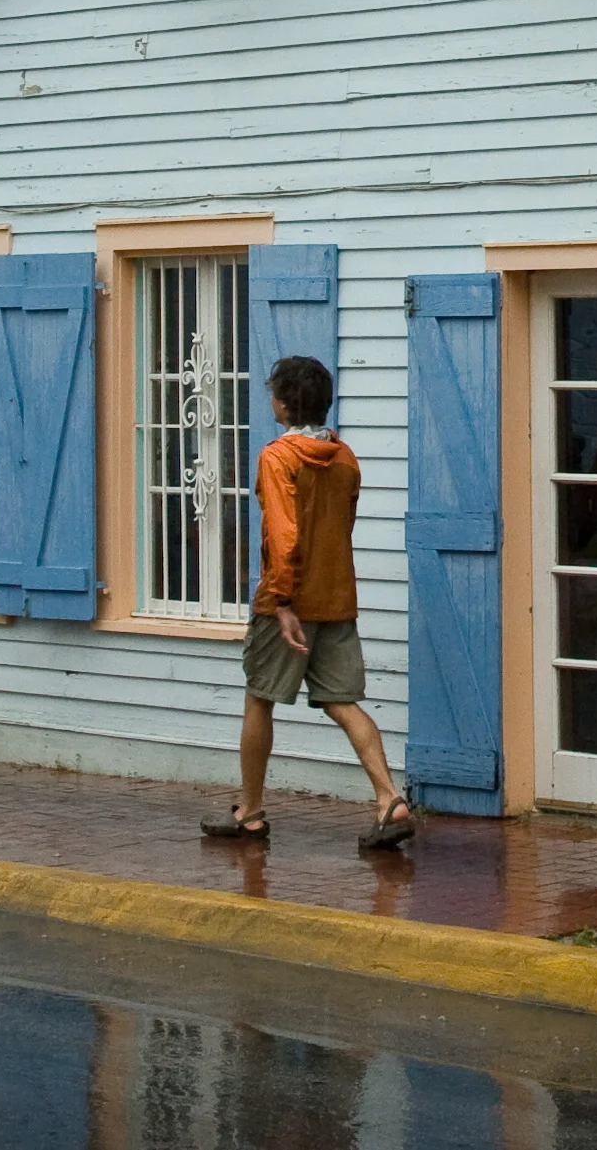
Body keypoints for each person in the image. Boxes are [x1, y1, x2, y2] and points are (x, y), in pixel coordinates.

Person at [201, 354, 415, 852]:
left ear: (283, 403)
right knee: (343, 701)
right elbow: (343, 527)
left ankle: (249, 812)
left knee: (259, 697)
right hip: (336, 597)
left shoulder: (278, 457)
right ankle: (389, 799)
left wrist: (280, 601)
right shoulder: (345, 457)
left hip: (290, 600)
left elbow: (283, 533)